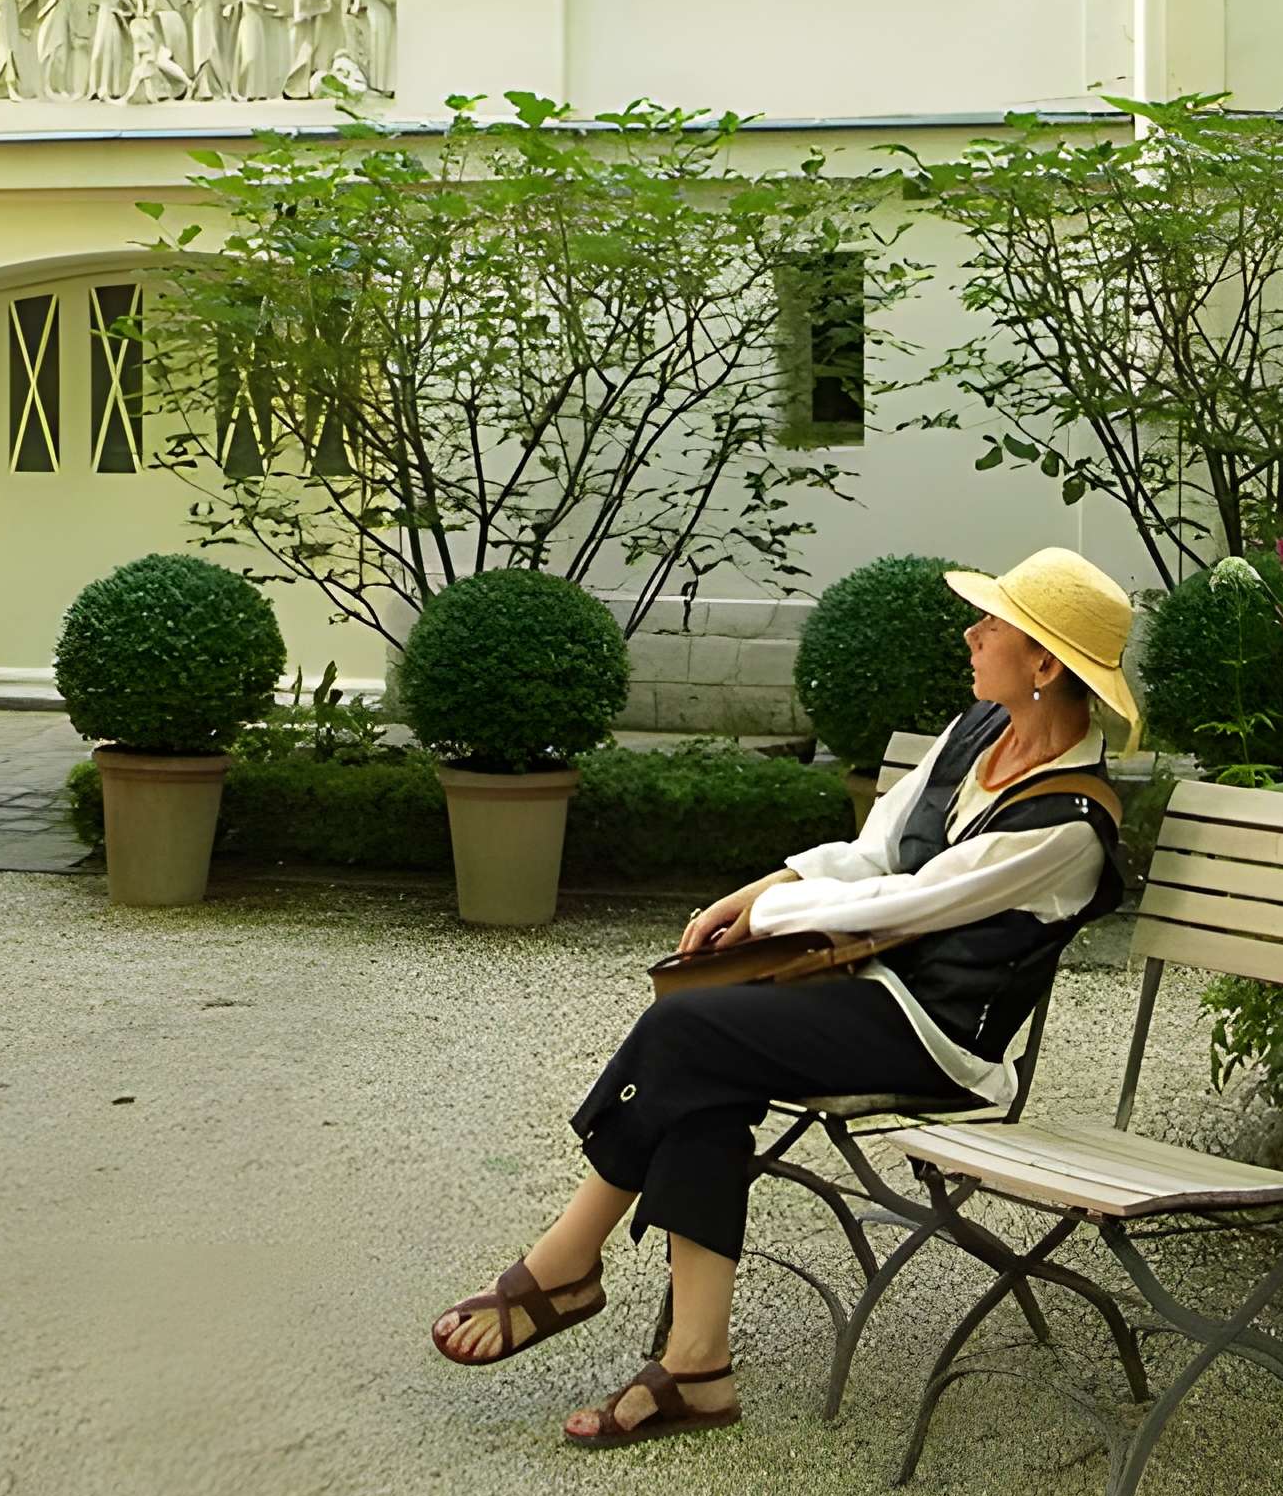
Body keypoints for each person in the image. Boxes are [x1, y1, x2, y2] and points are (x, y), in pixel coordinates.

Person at [429, 547, 1139, 1446]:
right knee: (704, 1064)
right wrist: (765, 885)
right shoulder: (977, 731)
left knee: (688, 1030)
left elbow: (910, 903)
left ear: (1043, 663)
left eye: (992, 623)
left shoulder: (1069, 825)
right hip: (862, 991)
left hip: (937, 1039)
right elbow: (876, 852)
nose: (970, 633)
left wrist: (770, 914)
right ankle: (696, 1368)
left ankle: (566, 1266)